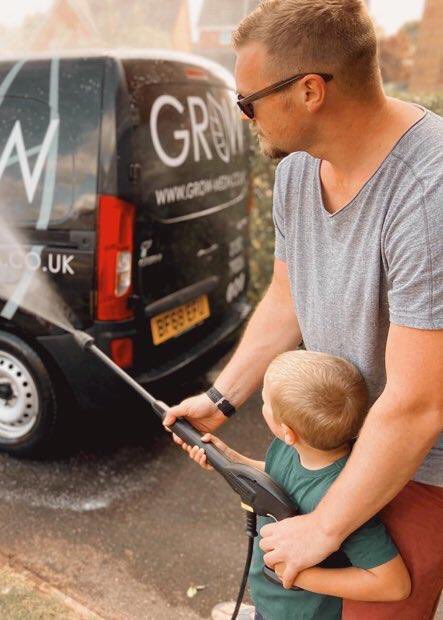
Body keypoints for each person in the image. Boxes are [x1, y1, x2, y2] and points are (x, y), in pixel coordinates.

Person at [160, 1, 442, 618]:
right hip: (326, 443)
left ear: (310, 90)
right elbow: (285, 296)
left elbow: (419, 403)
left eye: (248, 102)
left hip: (417, 468)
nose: (245, 117)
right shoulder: (296, 175)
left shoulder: (429, 192)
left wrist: (325, 527)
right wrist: (222, 398)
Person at [187, 350, 410, 619]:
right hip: (270, 595)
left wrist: (302, 576)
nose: (262, 405)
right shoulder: (288, 449)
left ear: (288, 431)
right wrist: (232, 459)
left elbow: (394, 585)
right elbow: (278, 477)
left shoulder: (346, 498)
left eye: (266, 402)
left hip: (300, 613)